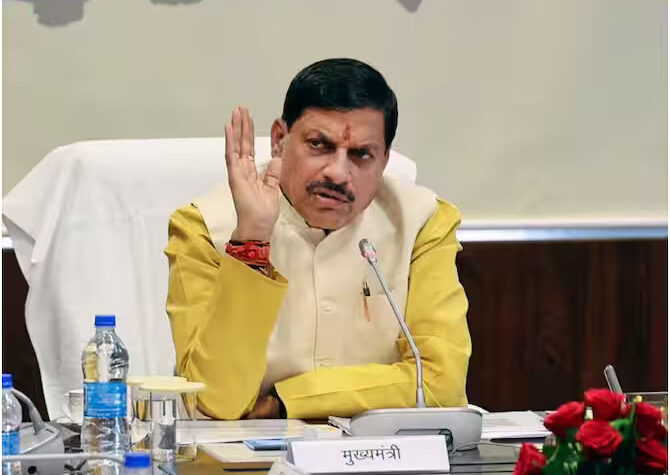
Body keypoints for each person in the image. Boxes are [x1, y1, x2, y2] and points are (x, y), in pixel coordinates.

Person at [165, 58, 471, 420]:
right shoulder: (204, 227)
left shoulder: (422, 223)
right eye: (319, 145)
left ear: (384, 160)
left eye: (361, 154)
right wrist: (252, 240)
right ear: (279, 140)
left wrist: (285, 402)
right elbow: (215, 402)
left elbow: (439, 384)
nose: (338, 174)